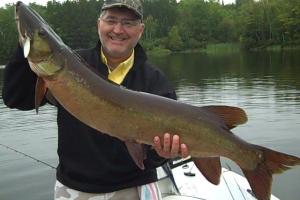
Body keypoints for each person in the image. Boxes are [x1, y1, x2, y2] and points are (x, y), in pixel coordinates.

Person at [2, 0, 189, 199]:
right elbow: (16, 98)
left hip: (135, 188)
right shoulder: (67, 67)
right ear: (99, 23)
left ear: (140, 30)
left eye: (128, 23)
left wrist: (163, 154)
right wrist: (26, 46)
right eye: (111, 20)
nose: (118, 30)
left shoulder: (156, 82)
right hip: (75, 189)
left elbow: (149, 158)